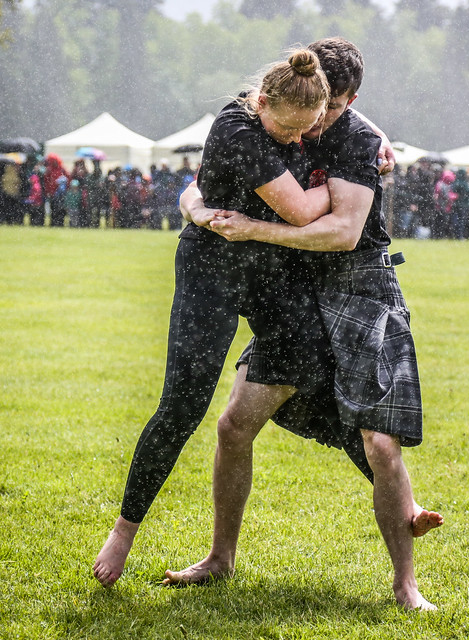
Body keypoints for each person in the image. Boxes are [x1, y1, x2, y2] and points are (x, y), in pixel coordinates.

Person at [164, 37, 442, 612]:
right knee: (234, 426)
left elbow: (341, 232)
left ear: (350, 101)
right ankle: (220, 558)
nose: (318, 123)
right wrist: (196, 207)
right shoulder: (278, 119)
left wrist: (254, 230)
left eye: (333, 109)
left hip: (362, 290)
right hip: (297, 294)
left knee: (380, 444)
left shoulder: (359, 139)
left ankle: (406, 586)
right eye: (317, 107)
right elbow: (208, 179)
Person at [93, 48, 337, 589]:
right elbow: (298, 210)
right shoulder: (238, 127)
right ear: (262, 101)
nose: (298, 140)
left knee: (329, 369)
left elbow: (341, 129)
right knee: (183, 404)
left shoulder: (296, 117)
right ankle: (125, 531)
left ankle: (398, 494)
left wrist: (376, 147)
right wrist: (347, 190)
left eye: (309, 129)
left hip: (272, 271)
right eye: (288, 130)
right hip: (214, 269)